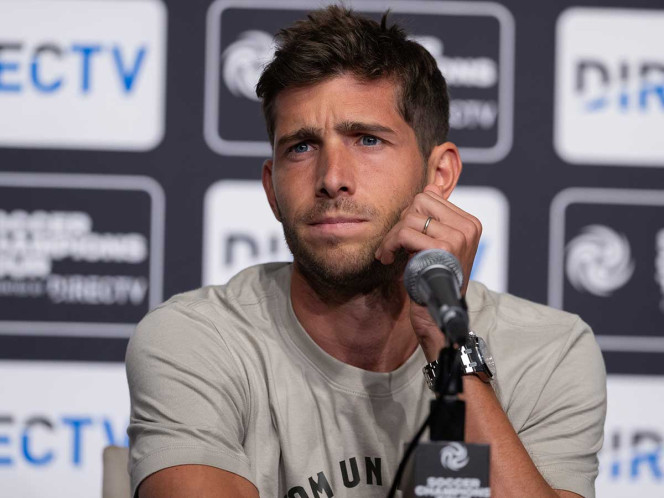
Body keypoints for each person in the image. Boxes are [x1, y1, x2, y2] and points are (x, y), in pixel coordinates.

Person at [126, 6, 606, 498]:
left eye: (368, 139)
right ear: (272, 190)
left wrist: (449, 347)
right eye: (301, 147)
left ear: (439, 174)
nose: (332, 178)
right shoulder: (198, 340)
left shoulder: (548, 351)